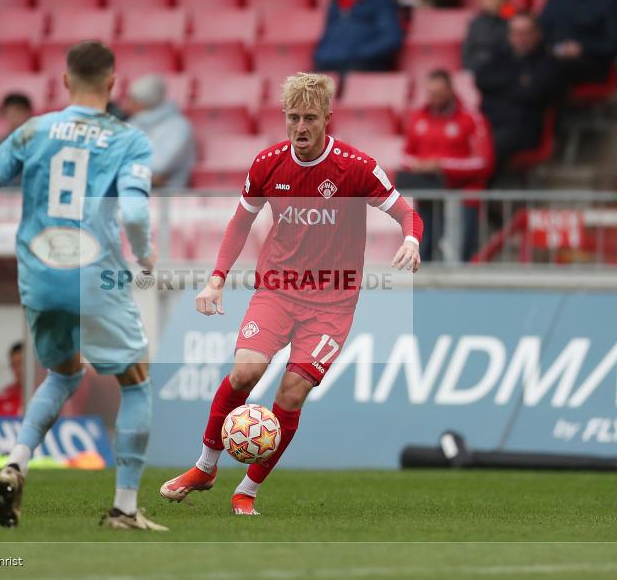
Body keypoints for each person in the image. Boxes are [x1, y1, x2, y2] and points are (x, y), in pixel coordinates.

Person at [160, 73, 422, 516]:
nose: (300, 127)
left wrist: (411, 239)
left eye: (309, 119)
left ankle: (246, 491)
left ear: (327, 119)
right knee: (245, 373)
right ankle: (205, 467)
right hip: (277, 289)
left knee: (292, 394)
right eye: (293, 118)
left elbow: (405, 212)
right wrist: (217, 277)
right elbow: (240, 222)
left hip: (332, 302)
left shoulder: (355, 166)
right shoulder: (268, 164)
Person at [0, 41, 165, 531]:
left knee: (64, 373)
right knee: (136, 382)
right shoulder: (129, 140)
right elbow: (133, 212)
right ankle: (126, 509)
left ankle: (17, 460)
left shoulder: (34, 129)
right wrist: (147, 252)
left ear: (66, 81)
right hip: (96, 276)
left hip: (41, 275)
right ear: (112, 83)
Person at [400, 70, 494, 262]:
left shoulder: (471, 119)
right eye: (431, 93)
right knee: (424, 251)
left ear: (450, 90)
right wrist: (418, 165)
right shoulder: (418, 117)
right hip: (428, 195)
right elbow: (405, 155)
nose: (434, 98)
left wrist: (442, 166)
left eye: (439, 93)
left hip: (462, 197)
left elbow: (484, 161)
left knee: (460, 256)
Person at [475, 14, 563, 171]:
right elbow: (481, 80)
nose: (521, 38)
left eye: (526, 32)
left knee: (486, 148)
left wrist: (501, 85)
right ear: (509, 36)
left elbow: (534, 93)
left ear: (537, 34)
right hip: (490, 123)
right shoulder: (497, 58)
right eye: (516, 33)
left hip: (523, 129)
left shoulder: (548, 63)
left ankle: (476, 192)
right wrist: (517, 82)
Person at [539, 0, 617, 85]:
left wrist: (582, 48)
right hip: (553, 52)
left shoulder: (610, 1)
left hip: (591, 62)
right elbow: (542, 27)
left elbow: (614, 45)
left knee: (546, 68)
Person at [314, 0, 403, 74]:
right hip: (327, 63)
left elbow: (391, 38)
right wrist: (320, 54)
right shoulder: (334, 3)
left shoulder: (381, 1)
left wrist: (360, 54)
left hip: (362, 66)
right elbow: (327, 35)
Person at [126, 75, 195, 189]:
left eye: (132, 99)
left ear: (140, 102)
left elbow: (159, 167)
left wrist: (126, 171)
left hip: (169, 198)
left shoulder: (179, 127)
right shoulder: (132, 123)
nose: (128, 104)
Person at [462, 0, 515, 75]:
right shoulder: (476, 22)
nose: (492, 0)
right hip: (478, 69)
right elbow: (467, 52)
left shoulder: (513, 19)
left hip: (506, 69)